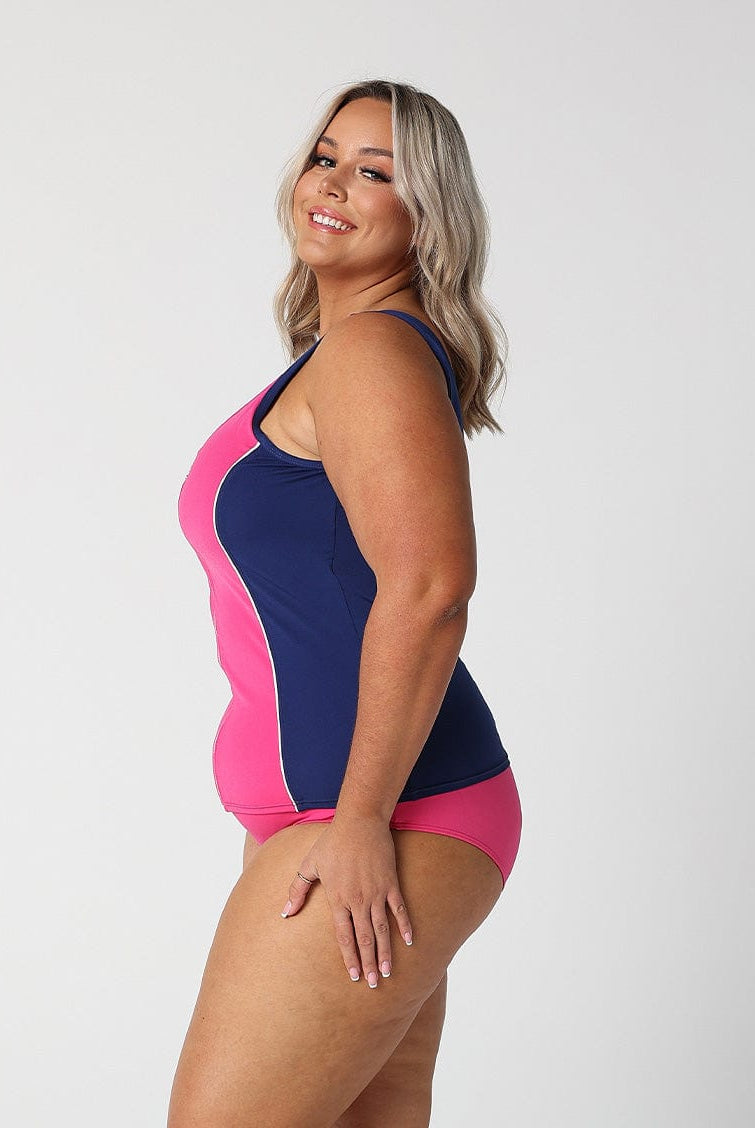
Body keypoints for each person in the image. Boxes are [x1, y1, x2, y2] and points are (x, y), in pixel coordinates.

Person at [168, 78, 523, 1128]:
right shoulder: (341, 358)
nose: (333, 183)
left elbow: (430, 589)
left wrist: (361, 819)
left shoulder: (372, 353)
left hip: (383, 819)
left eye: (376, 172)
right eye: (326, 155)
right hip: (341, 820)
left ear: (427, 218)